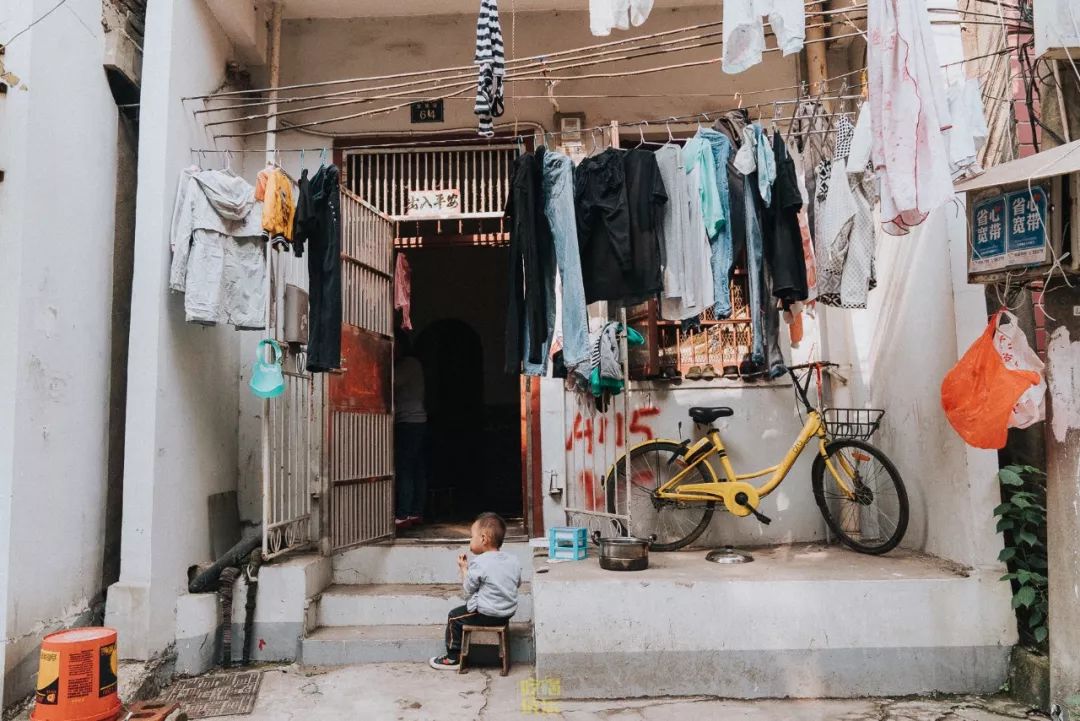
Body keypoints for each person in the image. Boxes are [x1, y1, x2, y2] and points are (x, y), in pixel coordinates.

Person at [429, 513, 522, 670]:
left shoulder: (479, 563)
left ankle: (453, 658)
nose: (470, 541)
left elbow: (467, 591)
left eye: (472, 537)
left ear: (484, 539)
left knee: (454, 617)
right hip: (507, 613)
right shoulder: (513, 560)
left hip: (487, 614)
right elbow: (517, 583)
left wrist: (464, 569)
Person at [394, 335, 427, 529]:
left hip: (409, 421)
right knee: (416, 468)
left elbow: (392, 382)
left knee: (406, 467)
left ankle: (404, 513)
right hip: (417, 421)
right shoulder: (413, 364)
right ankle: (416, 512)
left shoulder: (408, 364)